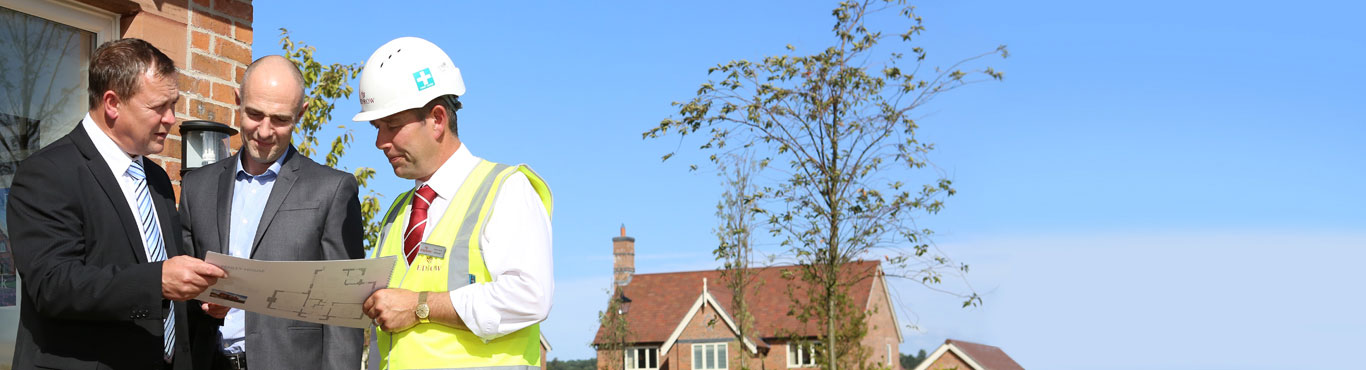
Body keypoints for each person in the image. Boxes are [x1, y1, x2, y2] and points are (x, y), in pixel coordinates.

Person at [5, 38, 227, 370]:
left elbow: (158, 284)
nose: (171, 119)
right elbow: (53, 285)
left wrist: (201, 301)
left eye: (174, 104)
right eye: (158, 107)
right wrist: (157, 281)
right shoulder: (47, 173)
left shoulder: (157, 179)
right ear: (112, 103)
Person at [353, 36, 554, 370]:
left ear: (437, 119)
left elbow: (529, 297)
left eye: (391, 126)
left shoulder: (506, 190)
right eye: (377, 127)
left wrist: (421, 306)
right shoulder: (397, 214)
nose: (380, 142)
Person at [179, 55, 366, 370]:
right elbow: (181, 288)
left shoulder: (332, 190)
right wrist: (201, 302)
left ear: (300, 114)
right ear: (238, 101)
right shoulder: (197, 186)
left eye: (279, 119)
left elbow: (343, 309)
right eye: (254, 114)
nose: (264, 131)